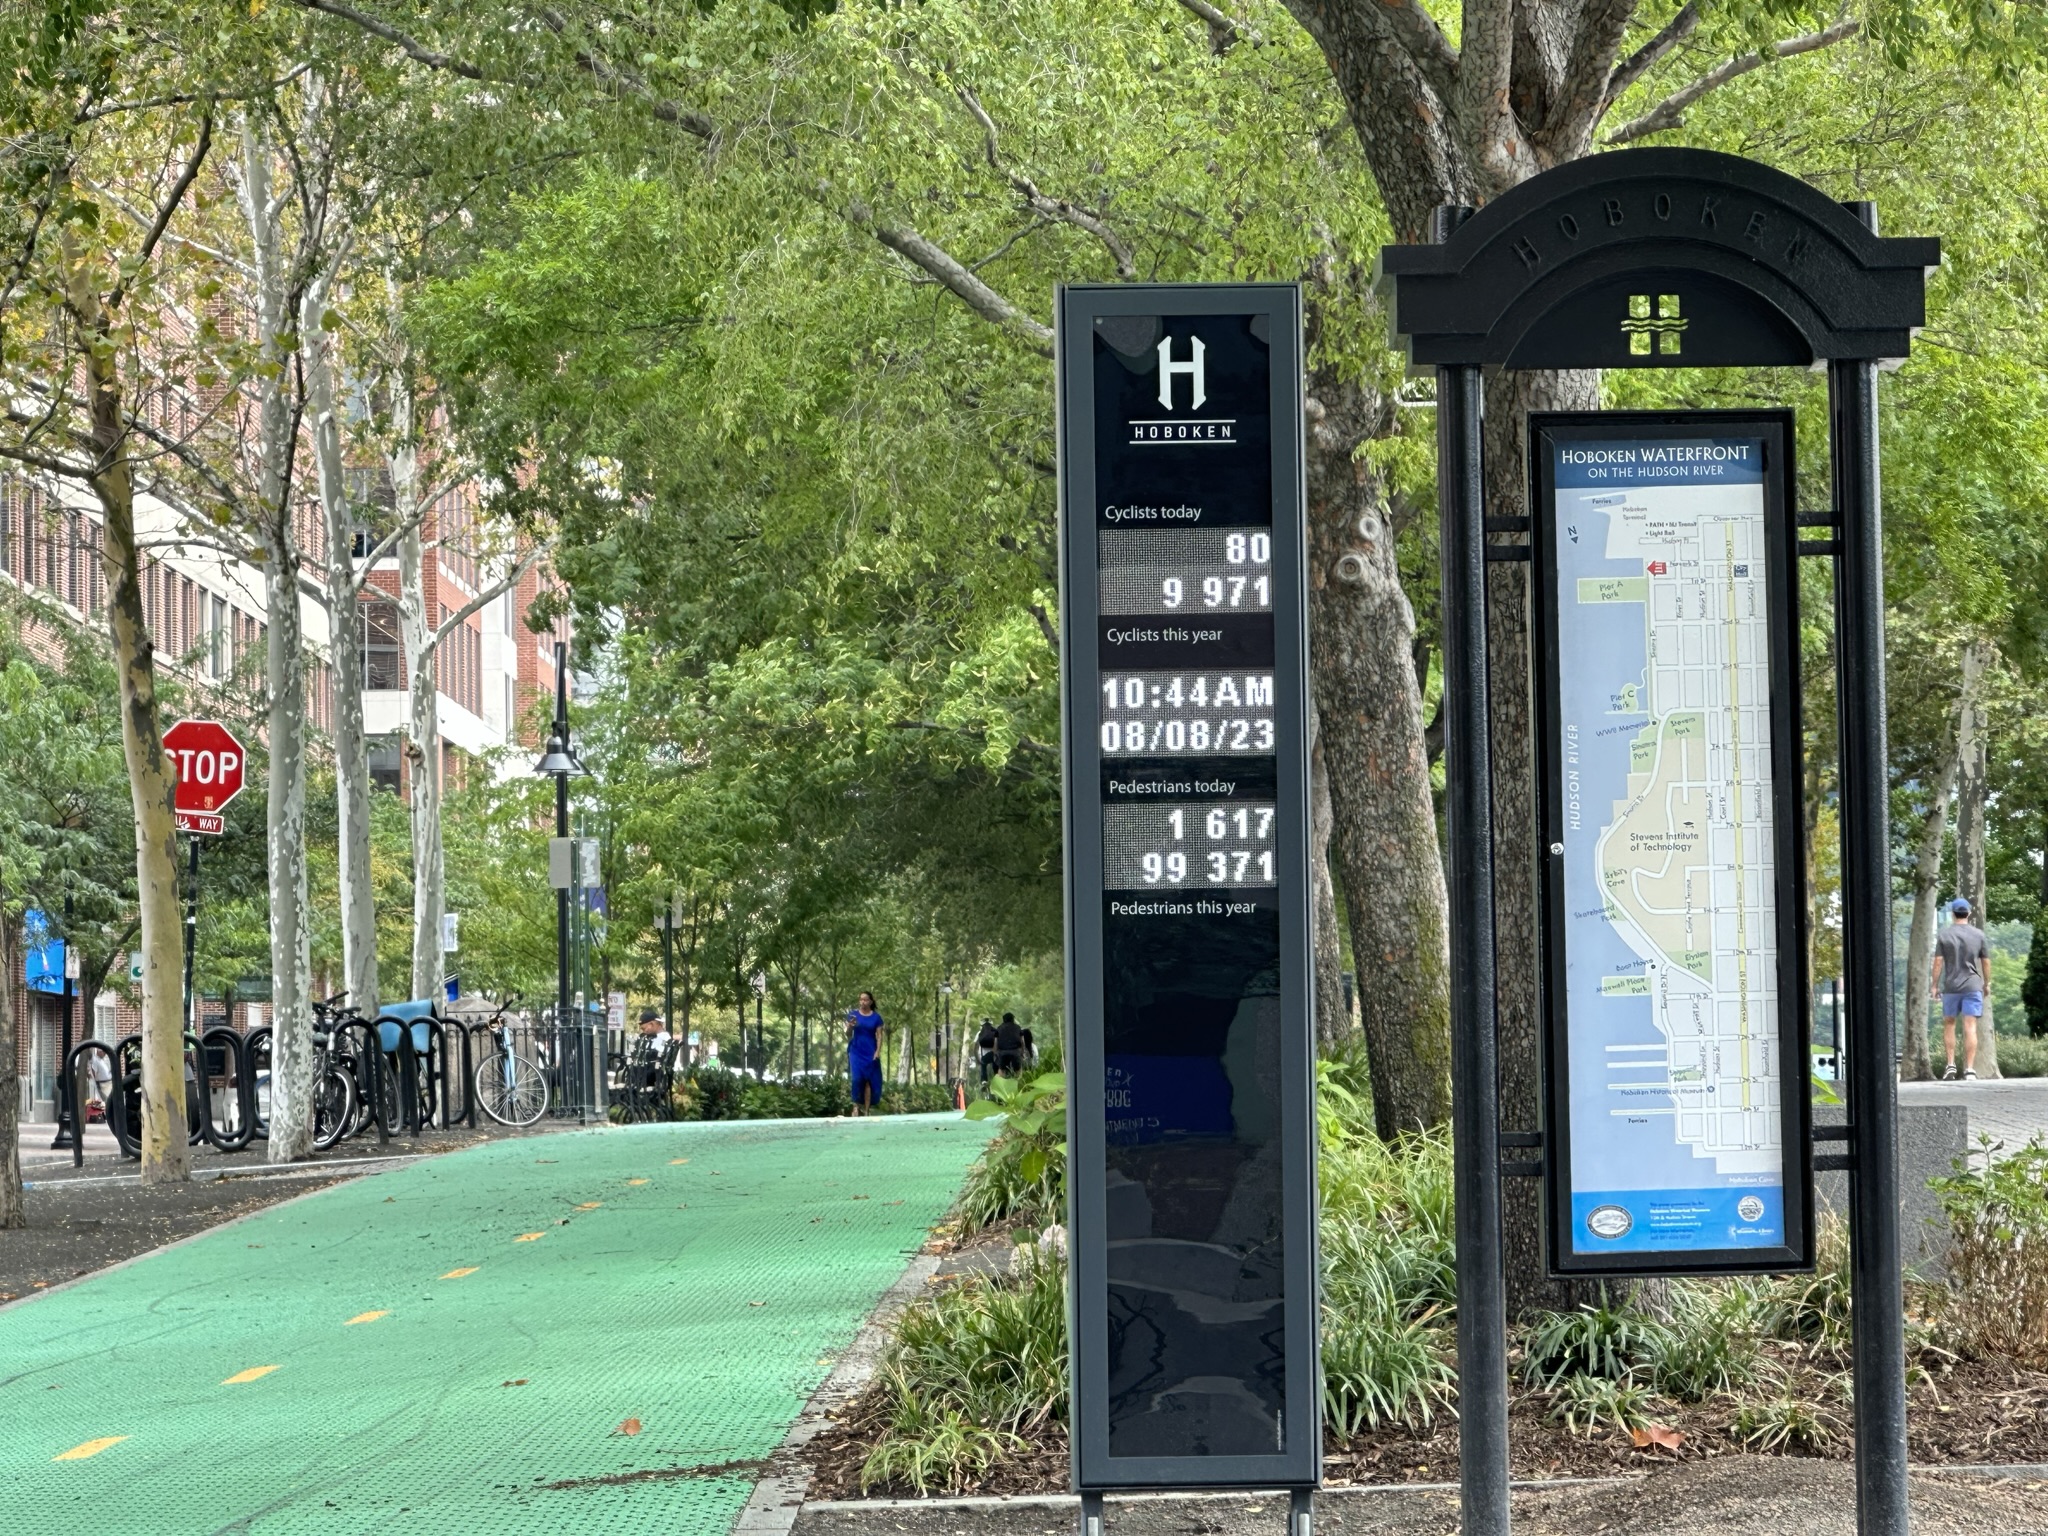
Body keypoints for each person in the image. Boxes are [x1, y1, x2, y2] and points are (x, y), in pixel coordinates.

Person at [1933, 897, 1993, 1080]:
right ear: (1968, 913)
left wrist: (1934, 985)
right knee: (1970, 1026)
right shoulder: (1979, 935)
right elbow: (1986, 962)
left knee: (1949, 1024)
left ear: (1952, 914)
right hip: (1973, 985)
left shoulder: (1944, 935)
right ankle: (1969, 1069)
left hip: (1951, 986)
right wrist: (1986, 983)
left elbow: (1938, 962)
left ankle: (1950, 1065)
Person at [845, 992, 886, 1115]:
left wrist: (877, 1052)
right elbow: (847, 1034)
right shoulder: (853, 1015)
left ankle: (867, 1110)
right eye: (861, 1000)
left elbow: (879, 1036)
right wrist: (850, 1027)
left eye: (865, 1000)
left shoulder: (876, 1018)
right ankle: (856, 1106)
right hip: (856, 1051)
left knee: (868, 1081)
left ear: (871, 1002)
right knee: (857, 1079)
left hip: (870, 1051)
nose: (863, 1002)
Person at [994, 1012, 1025, 1077]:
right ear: (1012, 1019)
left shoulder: (999, 1028)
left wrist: (995, 1053)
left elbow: (996, 1042)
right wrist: (1022, 1052)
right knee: (1018, 1070)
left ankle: (1001, 1084)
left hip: (1002, 1052)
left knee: (1002, 1069)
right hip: (1015, 1051)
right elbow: (1022, 1041)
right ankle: (1019, 1084)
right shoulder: (1018, 1027)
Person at [975, 1018, 999, 1087]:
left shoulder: (979, 1033)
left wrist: (977, 1059)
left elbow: (975, 1047)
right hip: (994, 1055)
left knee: (983, 1065)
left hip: (984, 1056)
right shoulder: (995, 1032)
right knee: (996, 1068)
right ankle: (997, 1081)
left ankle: (984, 1082)